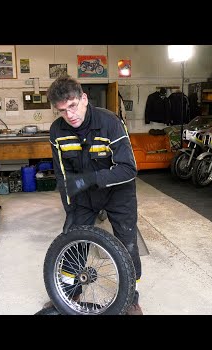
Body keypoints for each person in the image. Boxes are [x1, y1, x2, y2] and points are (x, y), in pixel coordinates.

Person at [45, 75, 142, 315]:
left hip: (118, 192)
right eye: (62, 111)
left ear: (84, 99)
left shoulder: (110, 123)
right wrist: (70, 210)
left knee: (127, 244)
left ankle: (131, 298)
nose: (70, 115)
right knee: (73, 242)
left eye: (73, 106)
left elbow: (129, 169)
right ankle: (69, 292)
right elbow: (62, 177)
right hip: (84, 195)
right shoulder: (57, 132)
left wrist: (91, 178)